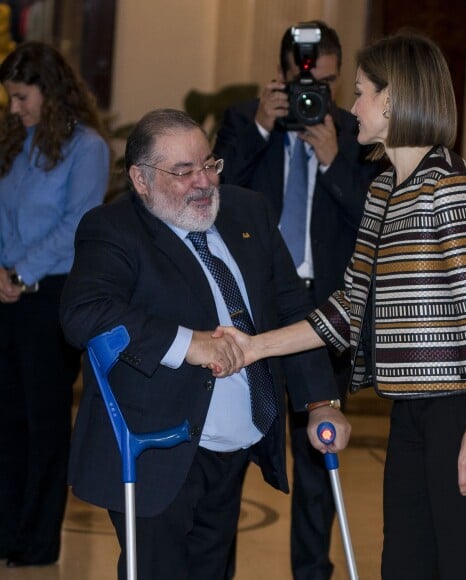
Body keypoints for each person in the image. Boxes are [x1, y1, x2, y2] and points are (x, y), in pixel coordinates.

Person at [216, 31, 466, 580]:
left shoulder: (453, 189)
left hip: (461, 411)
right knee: (403, 565)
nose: (350, 106)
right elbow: (347, 307)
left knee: (465, 566)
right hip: (409, 408)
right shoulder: (385, 191)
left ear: (392, 100)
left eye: (359, 92)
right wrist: (254, 346)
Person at [59, 108, 351, 580]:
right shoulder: (113, 229)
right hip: (154, 450)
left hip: (232, 446)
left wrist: (320, 401)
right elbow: (84, 313)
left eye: (208, 164)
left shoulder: (246, 210)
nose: (203, 182)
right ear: (140, 178)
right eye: (183, 171)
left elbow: (292, 308)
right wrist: (187, 343)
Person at [213, 20, 382, 579]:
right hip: (253, 314)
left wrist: (335, 162)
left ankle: (313, 574)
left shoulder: (356, 131)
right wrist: (262, 129)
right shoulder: (242, 120)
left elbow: (374, 228)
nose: (319, 94)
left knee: (319, 463)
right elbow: (208, 201)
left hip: (325, 314)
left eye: (333, 83)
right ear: (282, 74)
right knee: (233, 454)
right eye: (309, 81)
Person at [0, 41, 110, 567]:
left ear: (49, 90)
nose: (14, 107)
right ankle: (4, 530)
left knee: (42, 423)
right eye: (10, 98)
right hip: (4, 297)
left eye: (21, 96)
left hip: (49, 301)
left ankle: (37, 541)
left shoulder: (85, 147)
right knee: (5, 422)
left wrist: (20, 272)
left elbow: (78, 226)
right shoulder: (9, 141)